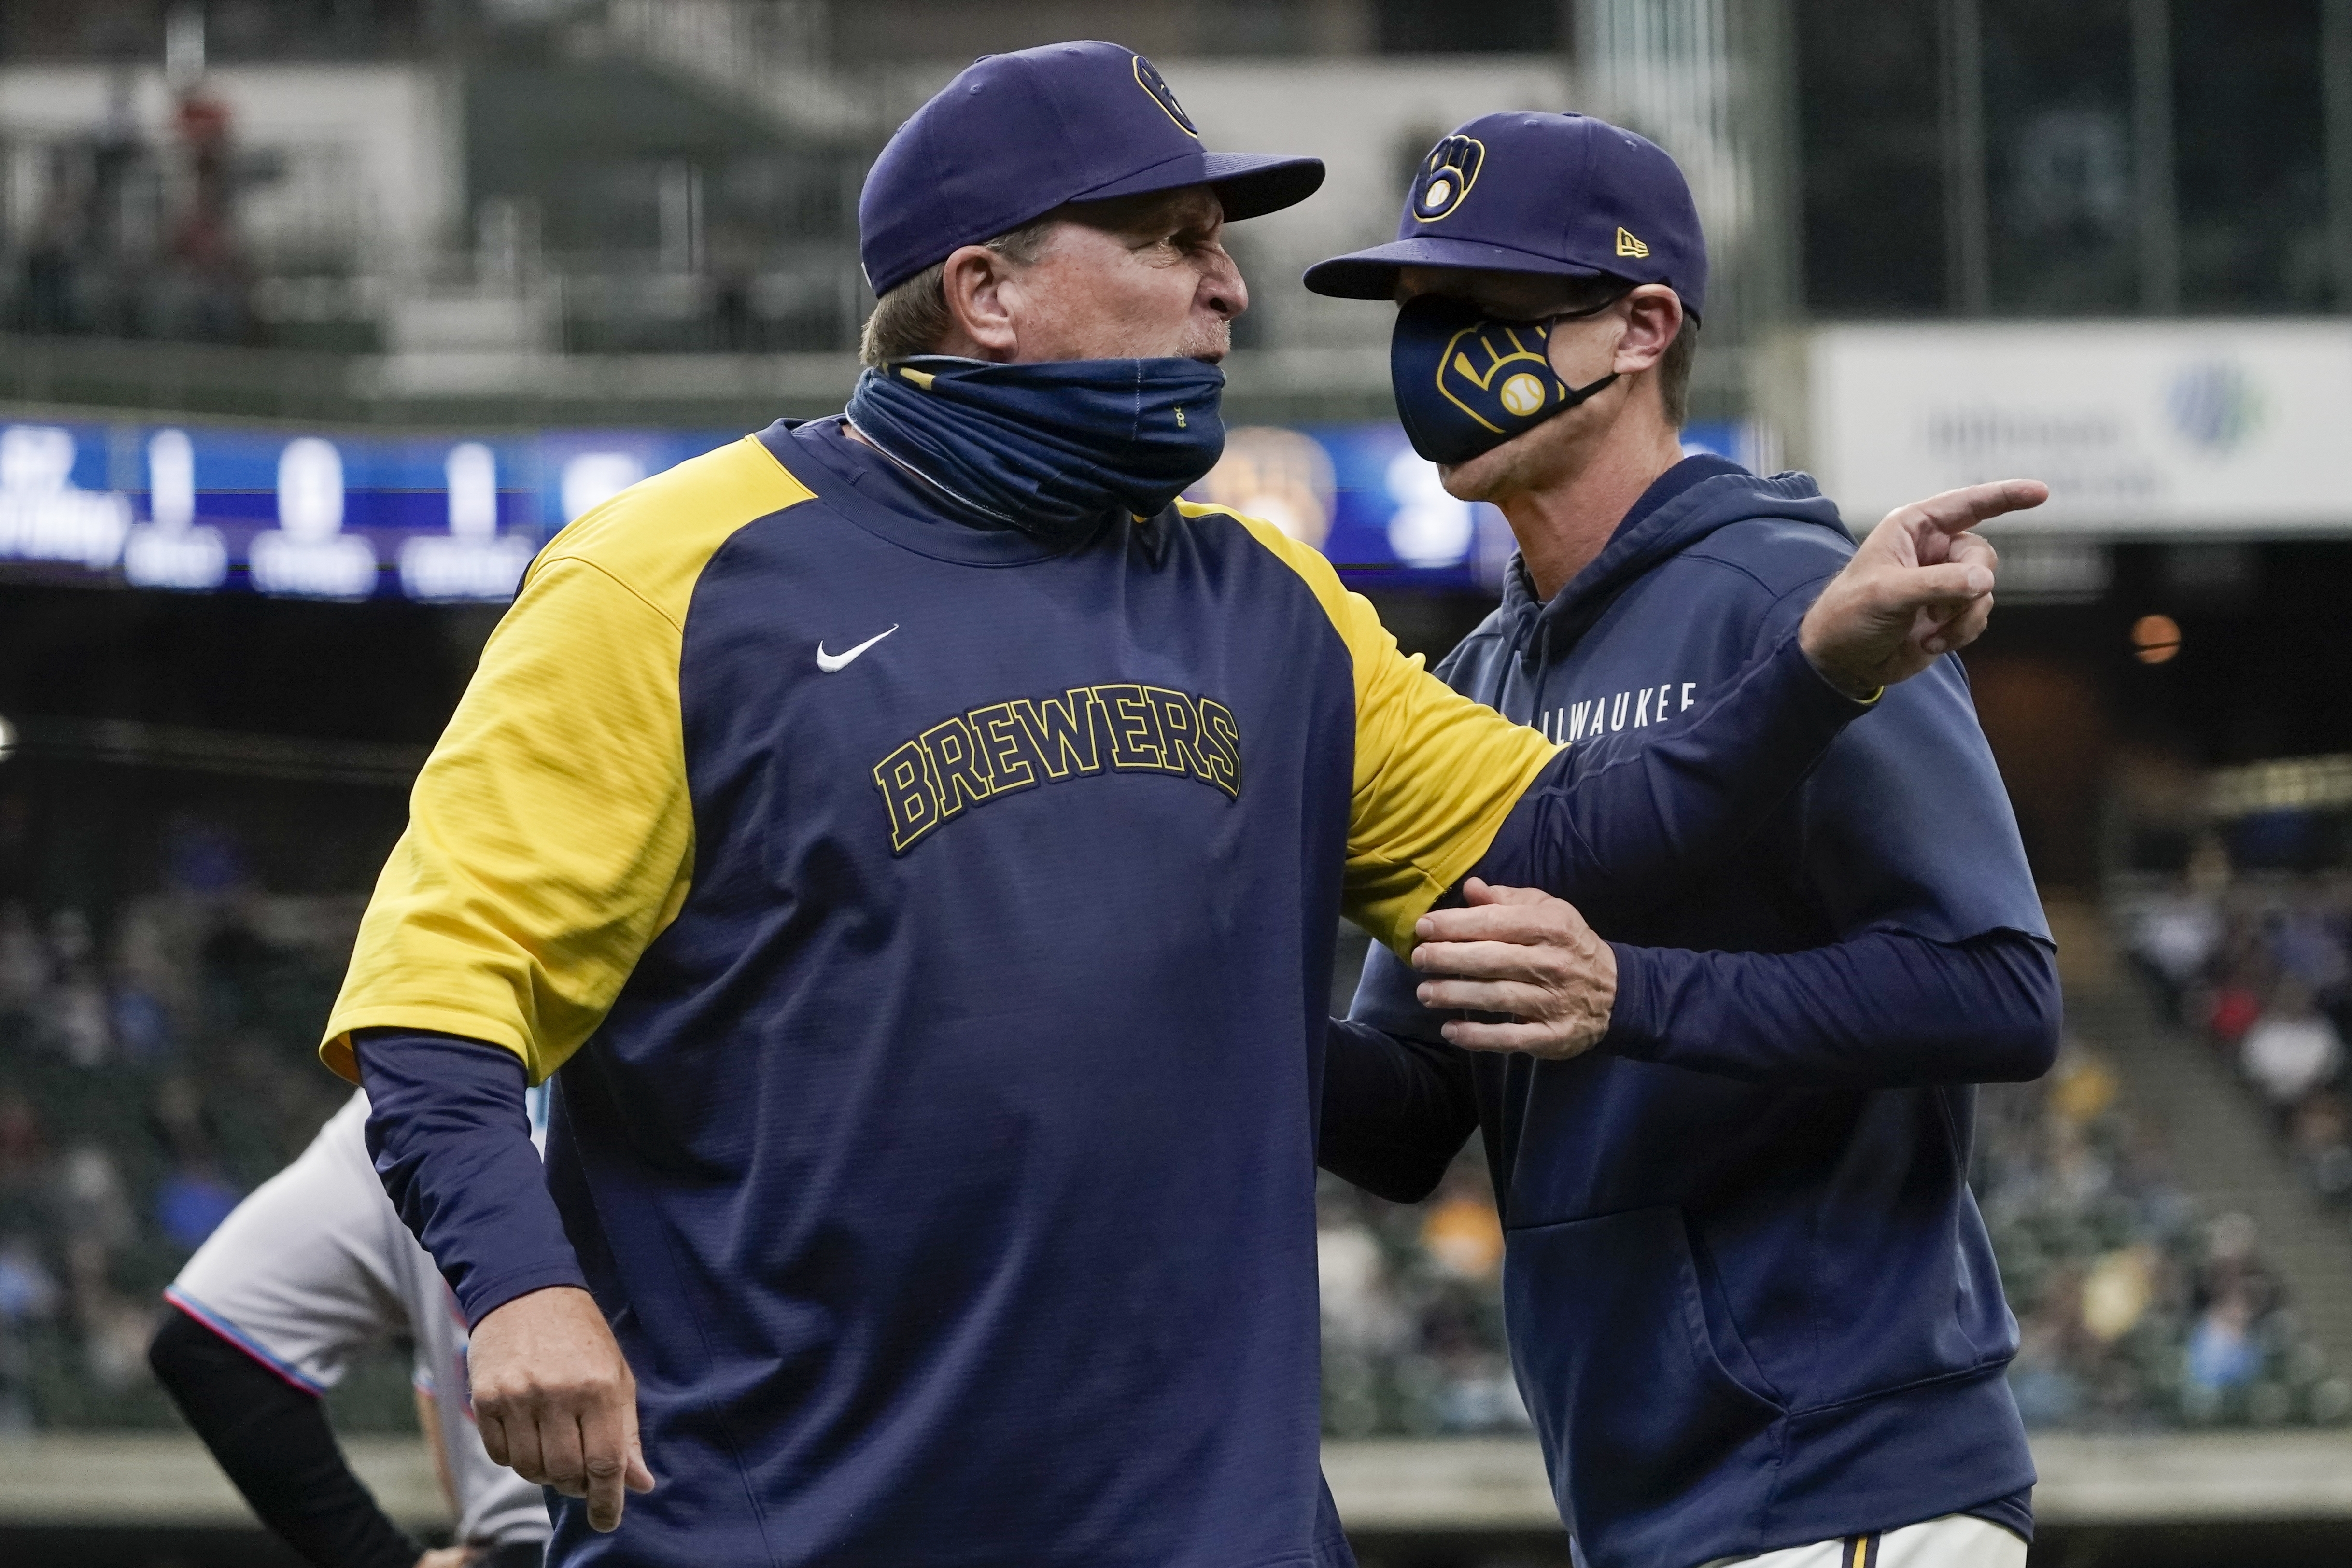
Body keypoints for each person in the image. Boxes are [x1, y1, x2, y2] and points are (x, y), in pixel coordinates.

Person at [326, 44, 2036, 1568]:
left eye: (1219, 243)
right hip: (793, 1506)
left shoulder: (1269, 603)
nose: (1230, 289)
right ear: (985, 289)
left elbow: (1572, 845)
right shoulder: (668, 571)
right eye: (1168, 240)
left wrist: (1818, 667)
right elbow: (433, 1003)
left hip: (1219, 1519)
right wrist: (526, 1283)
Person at [1307, 112, 2059, 1568]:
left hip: (1847, 1469)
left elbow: (2002, 987)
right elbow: (1408, 1111)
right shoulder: (1471, 680)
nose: (1430, 353)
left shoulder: (1791, 591)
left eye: (1477, 311)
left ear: (1643, 325)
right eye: (1416, 315)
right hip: (1638, 1491)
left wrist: (1631, 995)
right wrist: (1173, 963)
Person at [150, 1090, 549, 1568]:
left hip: (528, 1539)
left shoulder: (416, 1087)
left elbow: (203, 1345)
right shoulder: (652, 1060)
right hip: (642, 1522)